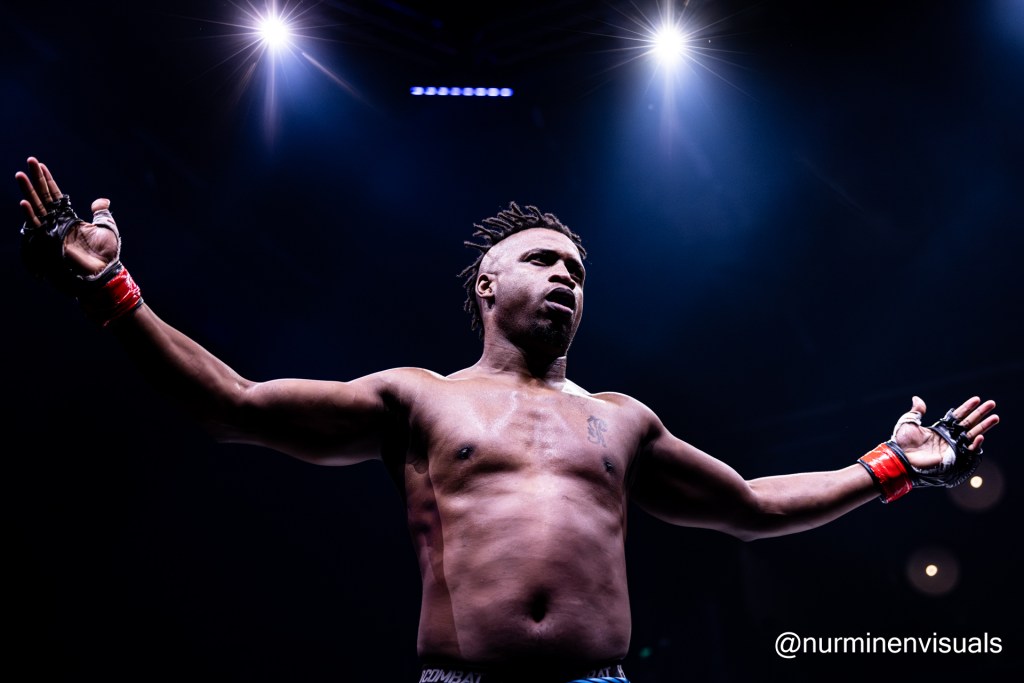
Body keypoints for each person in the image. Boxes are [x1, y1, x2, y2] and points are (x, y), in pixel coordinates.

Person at [15, 156, 1000, 683]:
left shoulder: (621, 418)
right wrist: (111, 287)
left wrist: (892, 465)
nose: (565, 275)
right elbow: (230, 404)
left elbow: (750, 504)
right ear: (488, 284)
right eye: (542, 260)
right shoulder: (418, 396)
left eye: (577, 269)